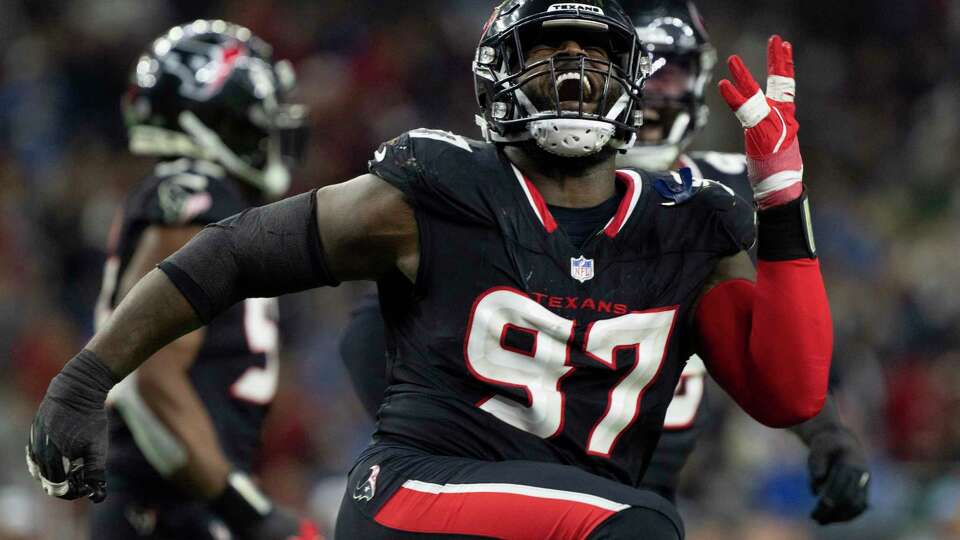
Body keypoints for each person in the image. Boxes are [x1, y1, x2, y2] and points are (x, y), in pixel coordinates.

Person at [26, 2, 833, 538]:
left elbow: (789, 392)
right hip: (418, 497)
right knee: (643, 527)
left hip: (568, 515)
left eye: (595, 55)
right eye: (551, 52)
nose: (576, 72)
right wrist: (87, 377)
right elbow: (235, 250)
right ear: (498, 70)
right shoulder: (436, 188)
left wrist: (783, 199)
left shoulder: (688, 218)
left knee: (638, 519)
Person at [340, 0, 869, 526]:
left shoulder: (723, 196)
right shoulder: (518, 186)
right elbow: (376, 332)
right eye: (649, 72)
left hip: (644, 485)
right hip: (515, 480)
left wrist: (827, 431)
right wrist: (439, 454)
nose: (659, 98)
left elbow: (774, 347)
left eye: (674, 71)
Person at [82, 20, 318, 540]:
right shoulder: (197, 195)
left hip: (174, 501)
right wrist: (245, 509)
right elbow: (147, 377)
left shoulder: (193, 197)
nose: (267, 128)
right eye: (254, 116)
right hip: (167, 506)